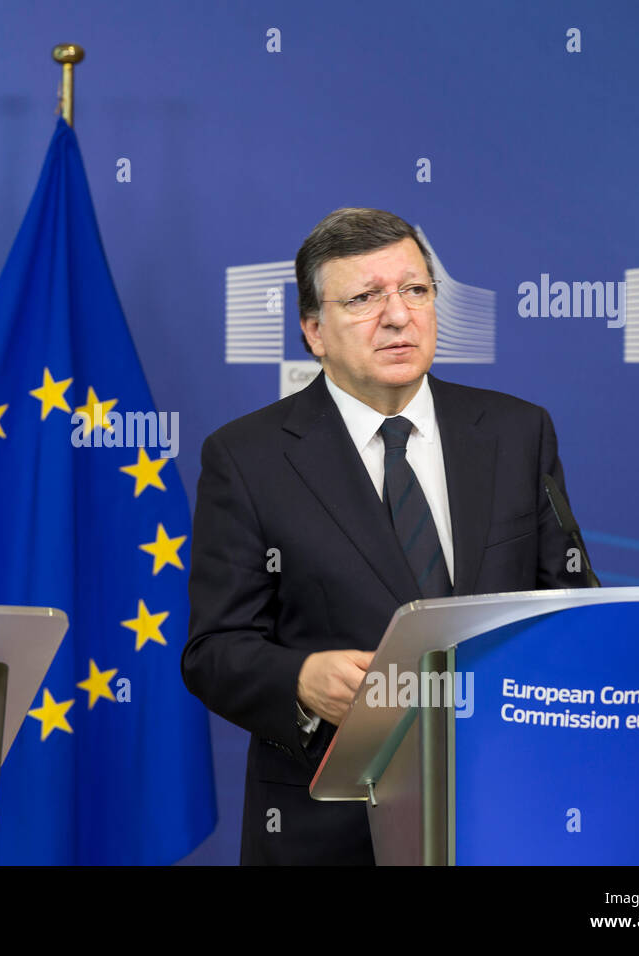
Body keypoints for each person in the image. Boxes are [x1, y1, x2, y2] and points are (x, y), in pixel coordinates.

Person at [182, 207, 586, 865]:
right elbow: (213, 650)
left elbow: (571, 606)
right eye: (366, 297)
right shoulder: (246, 458)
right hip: (331, 832)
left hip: (509, 811)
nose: (398, 316)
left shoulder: (517, 432)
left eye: (415, 290)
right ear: (314, 331)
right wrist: (302, 678)